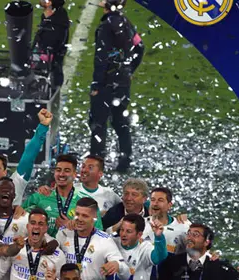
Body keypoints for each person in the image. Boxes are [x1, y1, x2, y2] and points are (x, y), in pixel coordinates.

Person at [89, 0, 144, 172]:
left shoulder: (106, 27)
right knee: (120, 122)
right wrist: (128, 70)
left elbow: (102, 58)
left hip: (106, 83)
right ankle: (124, 162)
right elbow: (139, 47)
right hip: (122, 82)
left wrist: (97, 84)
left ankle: (96, 164)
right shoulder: (125, 22)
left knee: (98, 123)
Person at [56, 197, 129, 280]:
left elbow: (126, 274)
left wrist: (117, 265)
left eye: (85, 216)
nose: (79, 219)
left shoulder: (105, 239)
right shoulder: (64, 233)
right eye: (77, 214)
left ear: (95, 218)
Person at [23, 154, 103, 236]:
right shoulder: (39, 197)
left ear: (75, 174)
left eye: (67, 170)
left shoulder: (87, 203)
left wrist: (73, 227)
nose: (61, 174)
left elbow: (98, 234)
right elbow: (18, 219)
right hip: (44, 247)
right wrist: (17, 208)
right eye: (58, 170)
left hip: (73, 248)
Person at [111, 213, 167, 280]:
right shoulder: (112, 243)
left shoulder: (145, 248)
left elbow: (159, 257)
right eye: (122, 230)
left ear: (139, 234)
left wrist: (159, 237)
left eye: (128, 231)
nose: (123, 234)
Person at [33, 0, 70, 90]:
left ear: (49, 3)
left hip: (46, 76)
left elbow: (48, 52)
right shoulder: (53, 17)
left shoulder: (56, 26)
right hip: (47, 69)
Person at [142, 186, 190, 255]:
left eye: (160, 200)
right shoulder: (140, 224)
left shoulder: (183, 226)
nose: (155, 204)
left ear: (169, 205)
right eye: (152, 200)